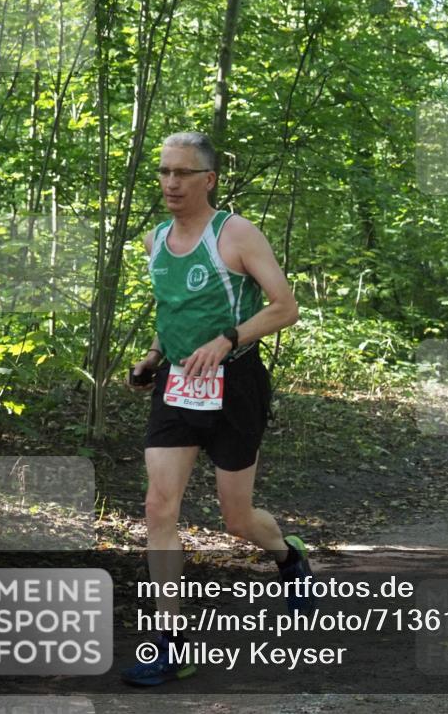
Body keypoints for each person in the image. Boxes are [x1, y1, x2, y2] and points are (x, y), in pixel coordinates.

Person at [122, 132, 312, 686]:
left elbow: (285, 307)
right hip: (178, 385)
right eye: (164, 172)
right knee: (159, 507)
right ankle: (170, 642)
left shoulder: (236, 234)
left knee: (236, 518)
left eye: (183, 173)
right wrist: (153, 356)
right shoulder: (155, 240)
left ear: (208, 179)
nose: (171, 183)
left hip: (236, 385)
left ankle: (287, 554)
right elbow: (171, 311)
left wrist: (228, 338)